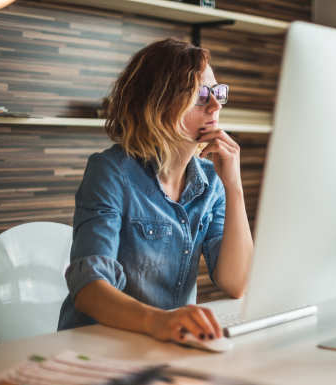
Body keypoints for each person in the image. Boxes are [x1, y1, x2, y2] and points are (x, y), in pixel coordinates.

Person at [57, 37, 253, 344]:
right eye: (201, 95)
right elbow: (89, 289)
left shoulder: (212, 181)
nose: (216, 105)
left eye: (218, 93)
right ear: (158, 102)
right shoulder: (110, 171)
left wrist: (234, 185)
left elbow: (236, 283)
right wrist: (159, 321)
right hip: (99, 345)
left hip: (167, 342)